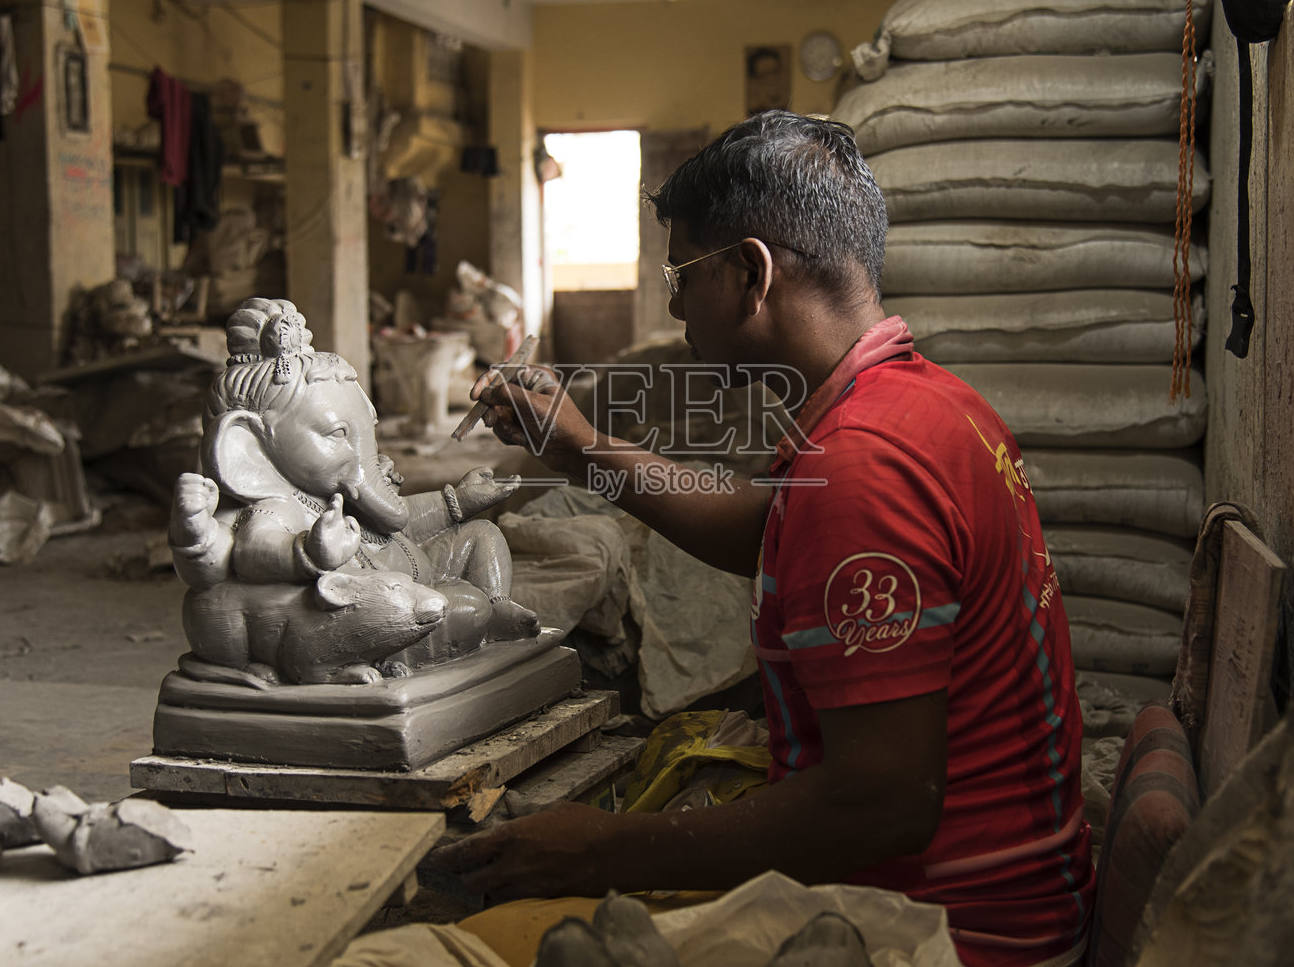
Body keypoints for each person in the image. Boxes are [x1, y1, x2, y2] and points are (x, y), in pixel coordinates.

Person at [434, 110, 1095, 967]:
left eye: (681, 273)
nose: (673, 306)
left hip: (952, 933)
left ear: (751, 272)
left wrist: (597, 850)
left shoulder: (865, 468)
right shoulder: (930, 405)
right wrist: (579, 446)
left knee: (477, 945)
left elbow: (882, 805)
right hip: (1015, 897)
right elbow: (770, 529)